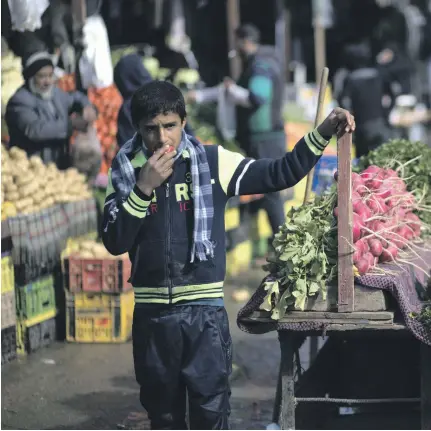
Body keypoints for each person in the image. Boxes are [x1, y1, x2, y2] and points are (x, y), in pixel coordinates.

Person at [101, 79, 355, 430]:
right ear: (139, 130)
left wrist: (323, 131)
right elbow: (114, 241)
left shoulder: (212, 162)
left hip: (203, 318)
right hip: (152, 319)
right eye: (151, 129)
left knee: (210, 411)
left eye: (170, 126)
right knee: (163, 416)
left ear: (183, 123)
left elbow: (280, 172)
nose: (162, 139)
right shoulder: (128, 171)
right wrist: (143, 189)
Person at [188, 24, 287, 255]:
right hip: (262, 138)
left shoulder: (261, 65)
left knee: (271, 191)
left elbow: (257, 97)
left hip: (266, 139)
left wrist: (233, 91)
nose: (236, 48)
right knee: (263, 189)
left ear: (245, 41)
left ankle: (283, 245)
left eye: (237, 42)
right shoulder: (256, 63)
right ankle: (266, 243)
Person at [5, 51, 97, 169]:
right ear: (31, 77)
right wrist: (70, 125)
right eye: (42, 76)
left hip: (59, 164)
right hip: (32, 167)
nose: (48, 81)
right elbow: (36, 130)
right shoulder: (19, 101)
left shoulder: (55, 93)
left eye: (50, 75)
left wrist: (87, 105)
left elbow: (75, 97)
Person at [114, 53, 195, 148]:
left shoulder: (131, 106)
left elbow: (126, 146)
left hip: (152, 160)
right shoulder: (166, 95)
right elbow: (187, 133)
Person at [338, 42, 392, 158]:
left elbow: (343, 104)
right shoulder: (379, 75)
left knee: (362, 165)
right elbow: (392, 95)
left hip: (361, 127)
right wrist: (386, 113)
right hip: (380, 123)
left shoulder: (350, 80)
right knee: (383, 162)